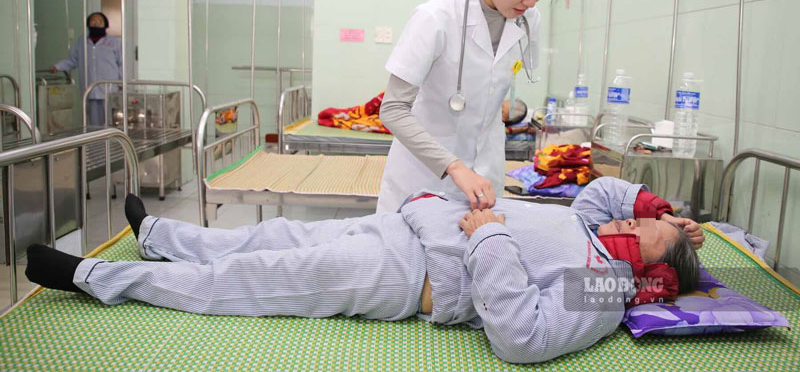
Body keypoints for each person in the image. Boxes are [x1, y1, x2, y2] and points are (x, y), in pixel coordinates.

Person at [25, 177, 704, 364]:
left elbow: (521, 336)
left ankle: (93, 278)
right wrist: (663, 210)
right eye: (640, 218)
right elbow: (607, 193)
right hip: (404, 227)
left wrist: (491, 234)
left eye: (643, 232)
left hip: (406, 275)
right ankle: (156, 236)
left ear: (653, 276)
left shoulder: (604, 288)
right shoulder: (593, 225)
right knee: (269, 234)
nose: (627, 223)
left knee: (251, 280)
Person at [377, 0, 564, 214]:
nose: (532, 1)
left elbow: (495, 89)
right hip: (423, 177)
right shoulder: (435, 17)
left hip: (484, 175)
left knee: (480, 243)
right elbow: (393, 110)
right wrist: (453, 166)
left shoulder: (529, 19)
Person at [50, 11, 123, 126]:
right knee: (93, 124)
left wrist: (121, 82)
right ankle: (96, 138)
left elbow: (122, 64)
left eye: (100, 21)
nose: (96, 23)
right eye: (93, 21)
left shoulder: (115, 42)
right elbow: (73, 60)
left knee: (111, 122)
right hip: (90, 89)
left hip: (109, 89)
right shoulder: (81, 42)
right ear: (88, 24)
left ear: (105, 25)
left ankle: (111, 138)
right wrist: (58, 67)